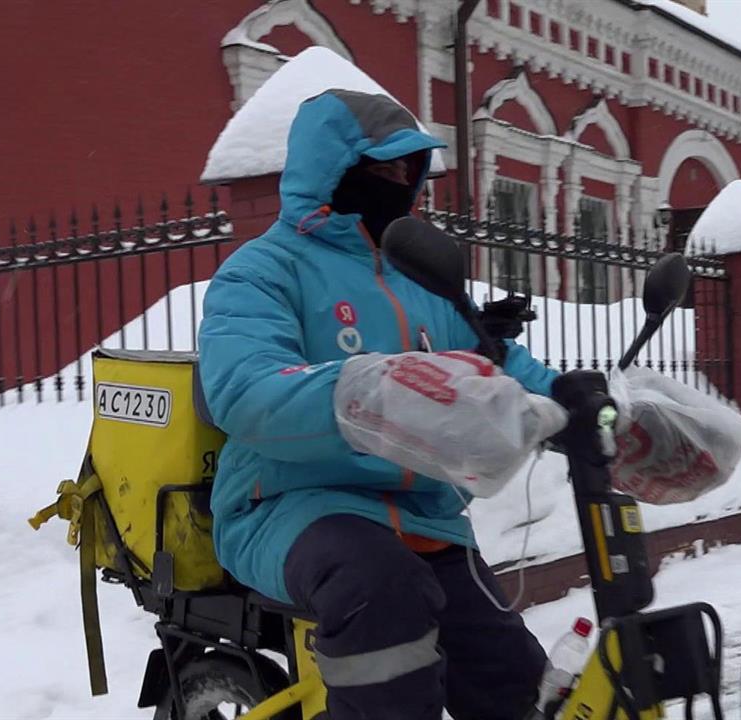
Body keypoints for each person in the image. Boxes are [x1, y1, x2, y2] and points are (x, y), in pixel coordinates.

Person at [198, 89, 559, 720]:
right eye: (380, 167)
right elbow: (244, 390)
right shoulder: (263, 271)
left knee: (515, 681)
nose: (396, 182)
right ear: (328, 170)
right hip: (290, 506)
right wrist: (361, 390)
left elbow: (495, 364)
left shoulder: (419, 278)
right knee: (382, 589)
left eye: (405, 169)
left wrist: (578, 401)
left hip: (426, 515)